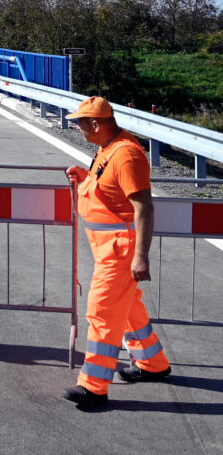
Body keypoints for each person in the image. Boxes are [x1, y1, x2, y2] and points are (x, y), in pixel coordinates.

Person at [62, 96, 171, 409]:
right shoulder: (108, 148)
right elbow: (110, 189)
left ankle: (93, 387)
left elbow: (143, 207)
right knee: (128, 308)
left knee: (102, 312)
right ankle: (153, 364)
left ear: (96, 124)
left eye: (81, 123)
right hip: (110, 248)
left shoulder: (125, 155)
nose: (78, 127)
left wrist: (141, 256)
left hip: (120, 251)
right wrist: (84, 178)